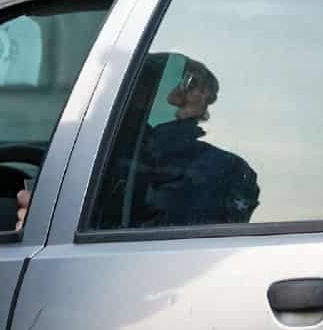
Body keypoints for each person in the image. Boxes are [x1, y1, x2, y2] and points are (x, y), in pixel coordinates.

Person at [15, 55, 259, 229]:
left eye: (191, 84)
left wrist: (45, 223)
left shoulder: (219, 169)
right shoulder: (99, 150)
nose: (176, 95)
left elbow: (158, 233)